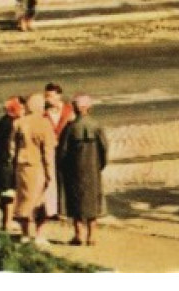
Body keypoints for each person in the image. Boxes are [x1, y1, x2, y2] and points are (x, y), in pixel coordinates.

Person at [59, 94, 110, 246]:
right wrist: (99, 165)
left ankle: (79, 235)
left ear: (75, 108)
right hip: (93, 169)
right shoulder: (96, 125)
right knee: (93, 202)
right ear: (89, 107)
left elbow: (63, 152)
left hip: (75, 170)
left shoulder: (70, 127)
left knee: (76, 202)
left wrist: (63, 168)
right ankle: (92, 236)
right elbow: (104, 148)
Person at [9, 92, 58, 241]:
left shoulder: (18, 123)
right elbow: (48, 152)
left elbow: (11, 148)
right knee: (40, 201)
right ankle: (38, 234)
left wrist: (13, 165)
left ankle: (25, 233)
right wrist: (50, 174)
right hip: (38, 167)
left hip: (21, 166)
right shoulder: (45, 124)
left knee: (23, 200)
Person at [37, 83, 75, 224]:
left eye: (50, 96)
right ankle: (53, 210)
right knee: (51, 179)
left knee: (66, 179)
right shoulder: (43, 113)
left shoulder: (69, 110)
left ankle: (65, 209)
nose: (48, 99)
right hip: (50, 150)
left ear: (59, 95)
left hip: (67, 150)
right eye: (46, 96)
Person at [0, 96, 25, 231]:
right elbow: (10, 146)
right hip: (7, 163)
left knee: (3, 194)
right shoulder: (12, 124)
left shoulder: (2, 122)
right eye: (20, 108)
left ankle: (6, 221)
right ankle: (7, 222)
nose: (23, 111)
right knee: (9, 194)